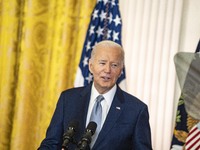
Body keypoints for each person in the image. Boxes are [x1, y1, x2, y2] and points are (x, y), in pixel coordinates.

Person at [38, 40, 152, 150]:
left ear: (121, 70)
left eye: (114, 65)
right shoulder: (68, 99)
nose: (107, 70)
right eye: (102, 63)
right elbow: (51, 143)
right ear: (90, 66)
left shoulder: (136, 110)